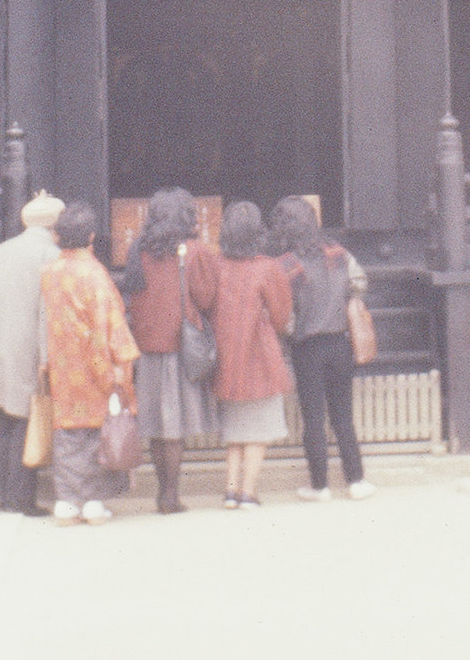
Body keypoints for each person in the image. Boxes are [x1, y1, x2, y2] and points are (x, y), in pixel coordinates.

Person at [37, 200, 140, 525]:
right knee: (98, 433)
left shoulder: (50, 273)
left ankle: (67, 503)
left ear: (57, 236)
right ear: (92, 237)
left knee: (68, 433)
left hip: (64, 366)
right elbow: (108, 324)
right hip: (95, 365)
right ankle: (93, 503)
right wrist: (118, 368)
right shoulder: (95, 274)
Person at [118, 187, 218, 513]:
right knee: (174, 425)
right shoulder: (194, 252)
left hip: (147, 348)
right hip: (179, 348)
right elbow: (206, 298)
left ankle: (163, 492)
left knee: (157, 425)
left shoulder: (138, 251)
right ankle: (170, 496)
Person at [271, 195, 375, 501]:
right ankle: (356, 480)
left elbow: (284, 317)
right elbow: (360, 283)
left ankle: (320, 486)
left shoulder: (285, 265)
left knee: (313, 418)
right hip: (341, 344)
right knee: (343, 415)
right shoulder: (339, 253)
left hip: (307, 349)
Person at [0, 190, 63, 516]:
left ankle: (6, 494)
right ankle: (21, 499)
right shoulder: (49, 255)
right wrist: (47, 357)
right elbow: (47, 312)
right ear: (53, 226)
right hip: (27, 348)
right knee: (25, 420)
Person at [207, 200, 292, 509]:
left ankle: (230, 491)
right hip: (259, 357)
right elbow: (282, 314)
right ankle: (248, 492)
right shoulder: (268, 268)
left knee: (234, 431)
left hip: (224, 359)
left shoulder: (216, 265)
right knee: (257, 431)